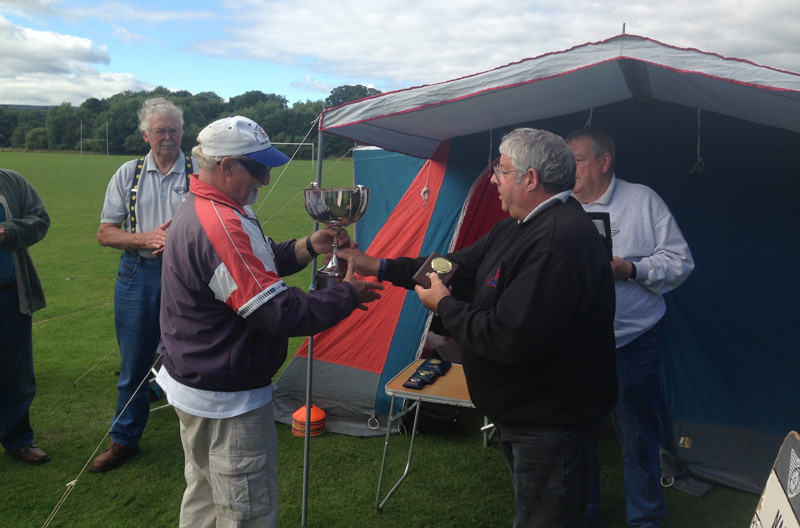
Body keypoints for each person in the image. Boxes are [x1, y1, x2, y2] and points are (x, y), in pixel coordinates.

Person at [340, 127, 618, 528]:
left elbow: (508, 337)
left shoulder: (556, 242)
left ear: (530, 178)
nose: (492, 180)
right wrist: (379, 266)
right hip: (524, 414)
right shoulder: (518, 227)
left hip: (550, 422)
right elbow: (453, 266)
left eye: (501, 171)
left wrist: (445, 306)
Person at [156, 115, 383, 527]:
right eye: (259, 168)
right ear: (226, 166)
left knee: (205, 503)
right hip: (228, 404)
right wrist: (347, 294)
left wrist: (309, 246)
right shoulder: (222, 223)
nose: (265, 179)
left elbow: (255, 263)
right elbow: (277, 312)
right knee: (246, 513)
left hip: (201, 387)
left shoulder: (207, 205)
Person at [566, 127, 694, 528]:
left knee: (638, 439)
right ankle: (584, 518)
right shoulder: (560, 205)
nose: (570, 169)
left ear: (604, 162)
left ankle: (645, 521)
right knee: (578, 439)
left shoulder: (643, 200)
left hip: (632, 343)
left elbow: (680, 261)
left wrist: (632, 269)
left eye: (577, 160)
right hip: (575, 348)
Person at [93, 97, 197, 473]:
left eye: (173, 130)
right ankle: (124, 439)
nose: (167, 137)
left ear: (182, 133)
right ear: (145, 135)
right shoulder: (128, 173)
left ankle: (200, 434)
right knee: (135, 363)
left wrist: (181, 241)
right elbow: (106, 233)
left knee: (194, 355)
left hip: (189, 275)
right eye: (160, 131)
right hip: (138, 274)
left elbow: (220, 223)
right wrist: (146, 238)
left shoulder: (200, 171)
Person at [0, 170, 50, 466]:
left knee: (16, 372)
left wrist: (7, 231)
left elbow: (40, 219)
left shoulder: (11, 182)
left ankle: (18, 439)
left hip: (9, 294)